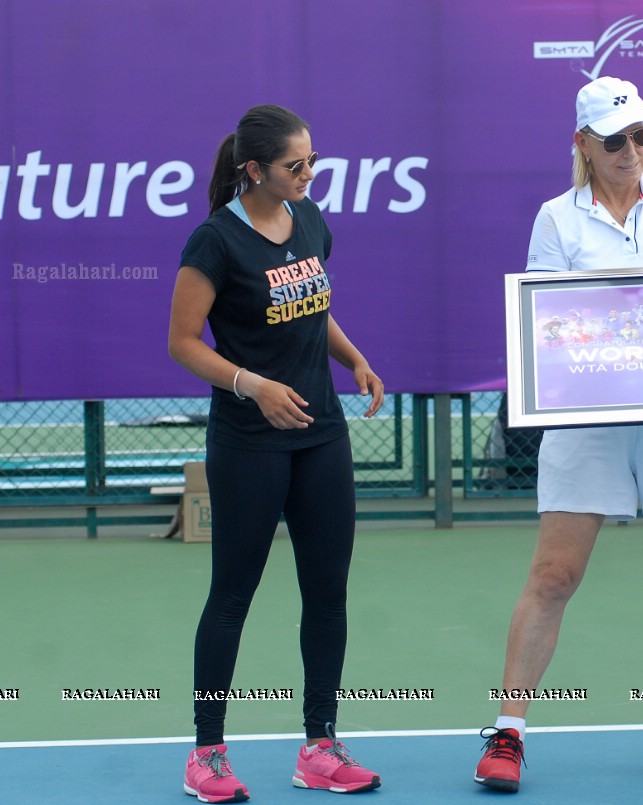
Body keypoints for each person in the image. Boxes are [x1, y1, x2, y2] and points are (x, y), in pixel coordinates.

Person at [472, 76, 643, 794]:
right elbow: (547, 326)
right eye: (616, 139)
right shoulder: (556, 220)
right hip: (586, 421)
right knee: (554, 574)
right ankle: (508, 731)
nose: (632, 151)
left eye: (641, 136)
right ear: (583, 144)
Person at [168, 105, 384, 803]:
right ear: (254, 170)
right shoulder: (214, 242)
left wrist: (353, 359)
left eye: (312, 162)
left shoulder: (312, 221)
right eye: (296, 166)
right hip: (249, 442)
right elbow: (184, 341)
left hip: (321, 435)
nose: (309, 174)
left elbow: (313, 306)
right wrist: (252, 385)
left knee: (327, 593)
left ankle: (319, 745)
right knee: (232, 595)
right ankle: (206, 754)